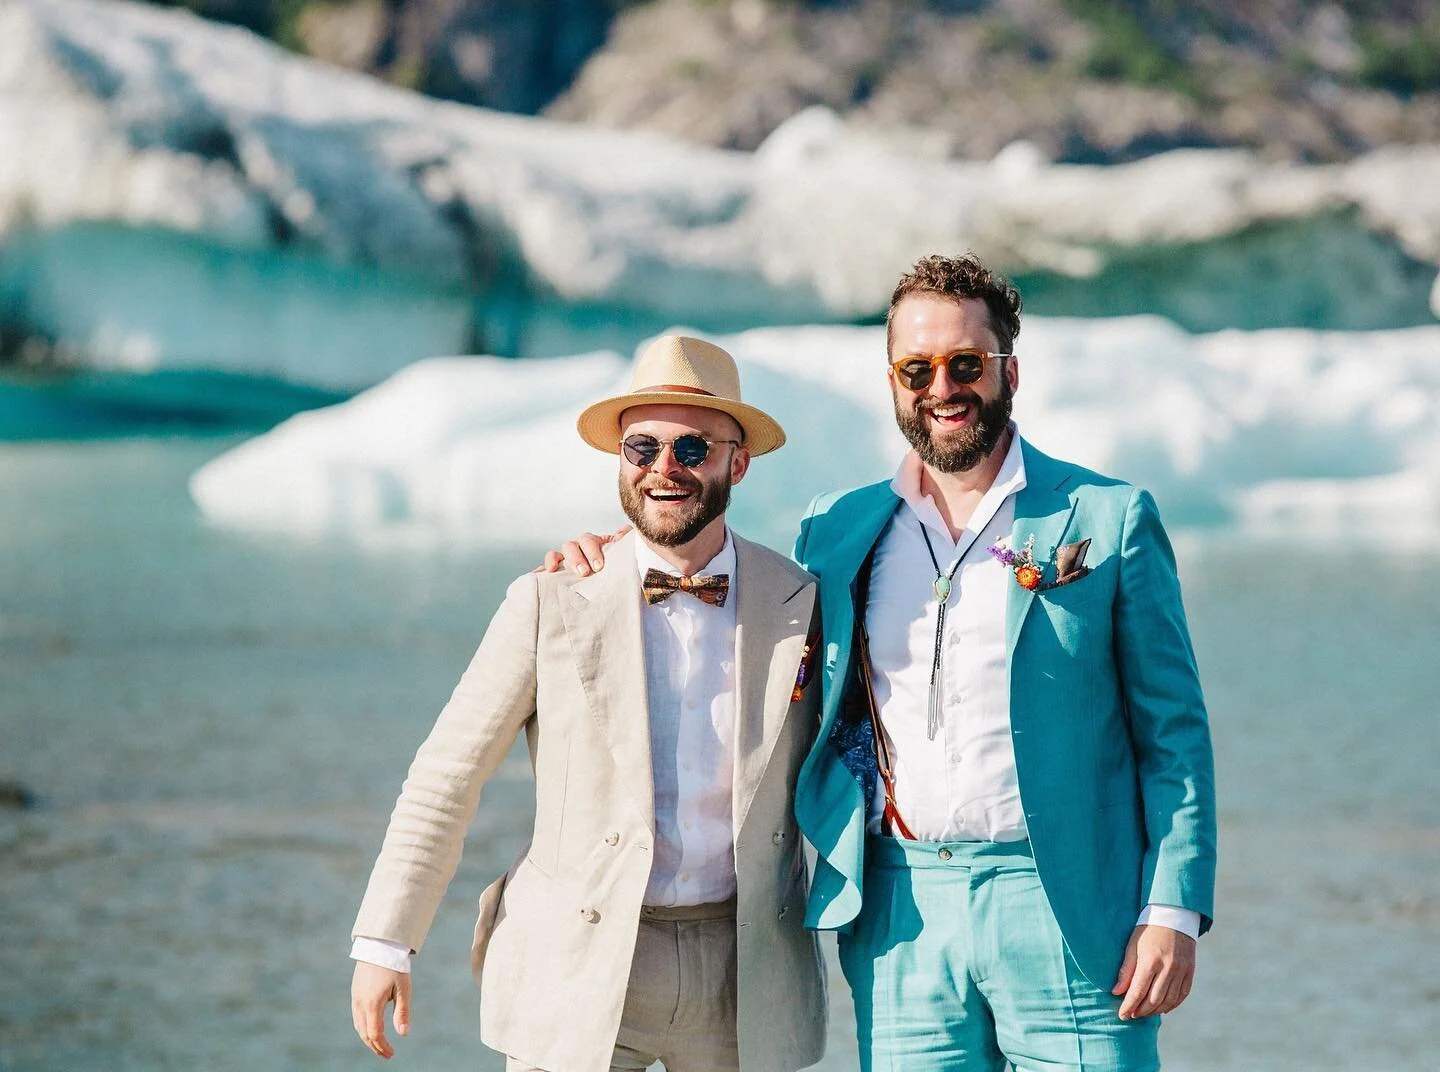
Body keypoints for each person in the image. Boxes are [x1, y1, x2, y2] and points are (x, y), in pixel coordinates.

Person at [551, 255, 1217, 1072]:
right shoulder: (836, 530)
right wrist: (614, 552)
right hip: (898, 913)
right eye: (917, 368)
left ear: (1010, 370)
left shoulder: (1107, 519)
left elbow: (1173, 736)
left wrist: (1173, 907)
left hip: (1069, 906)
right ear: (894, 380)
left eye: (966, 364)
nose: (944, 387)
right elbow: (721, 579)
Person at [349, 334, 827, 1072]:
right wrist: (386, 940)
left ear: (740, 461)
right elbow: (448, 774)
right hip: (578, 961)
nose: (664, 469)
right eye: (642, 447)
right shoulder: (550, 598)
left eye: (693, 449)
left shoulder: (802, 602)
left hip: (747, 970)